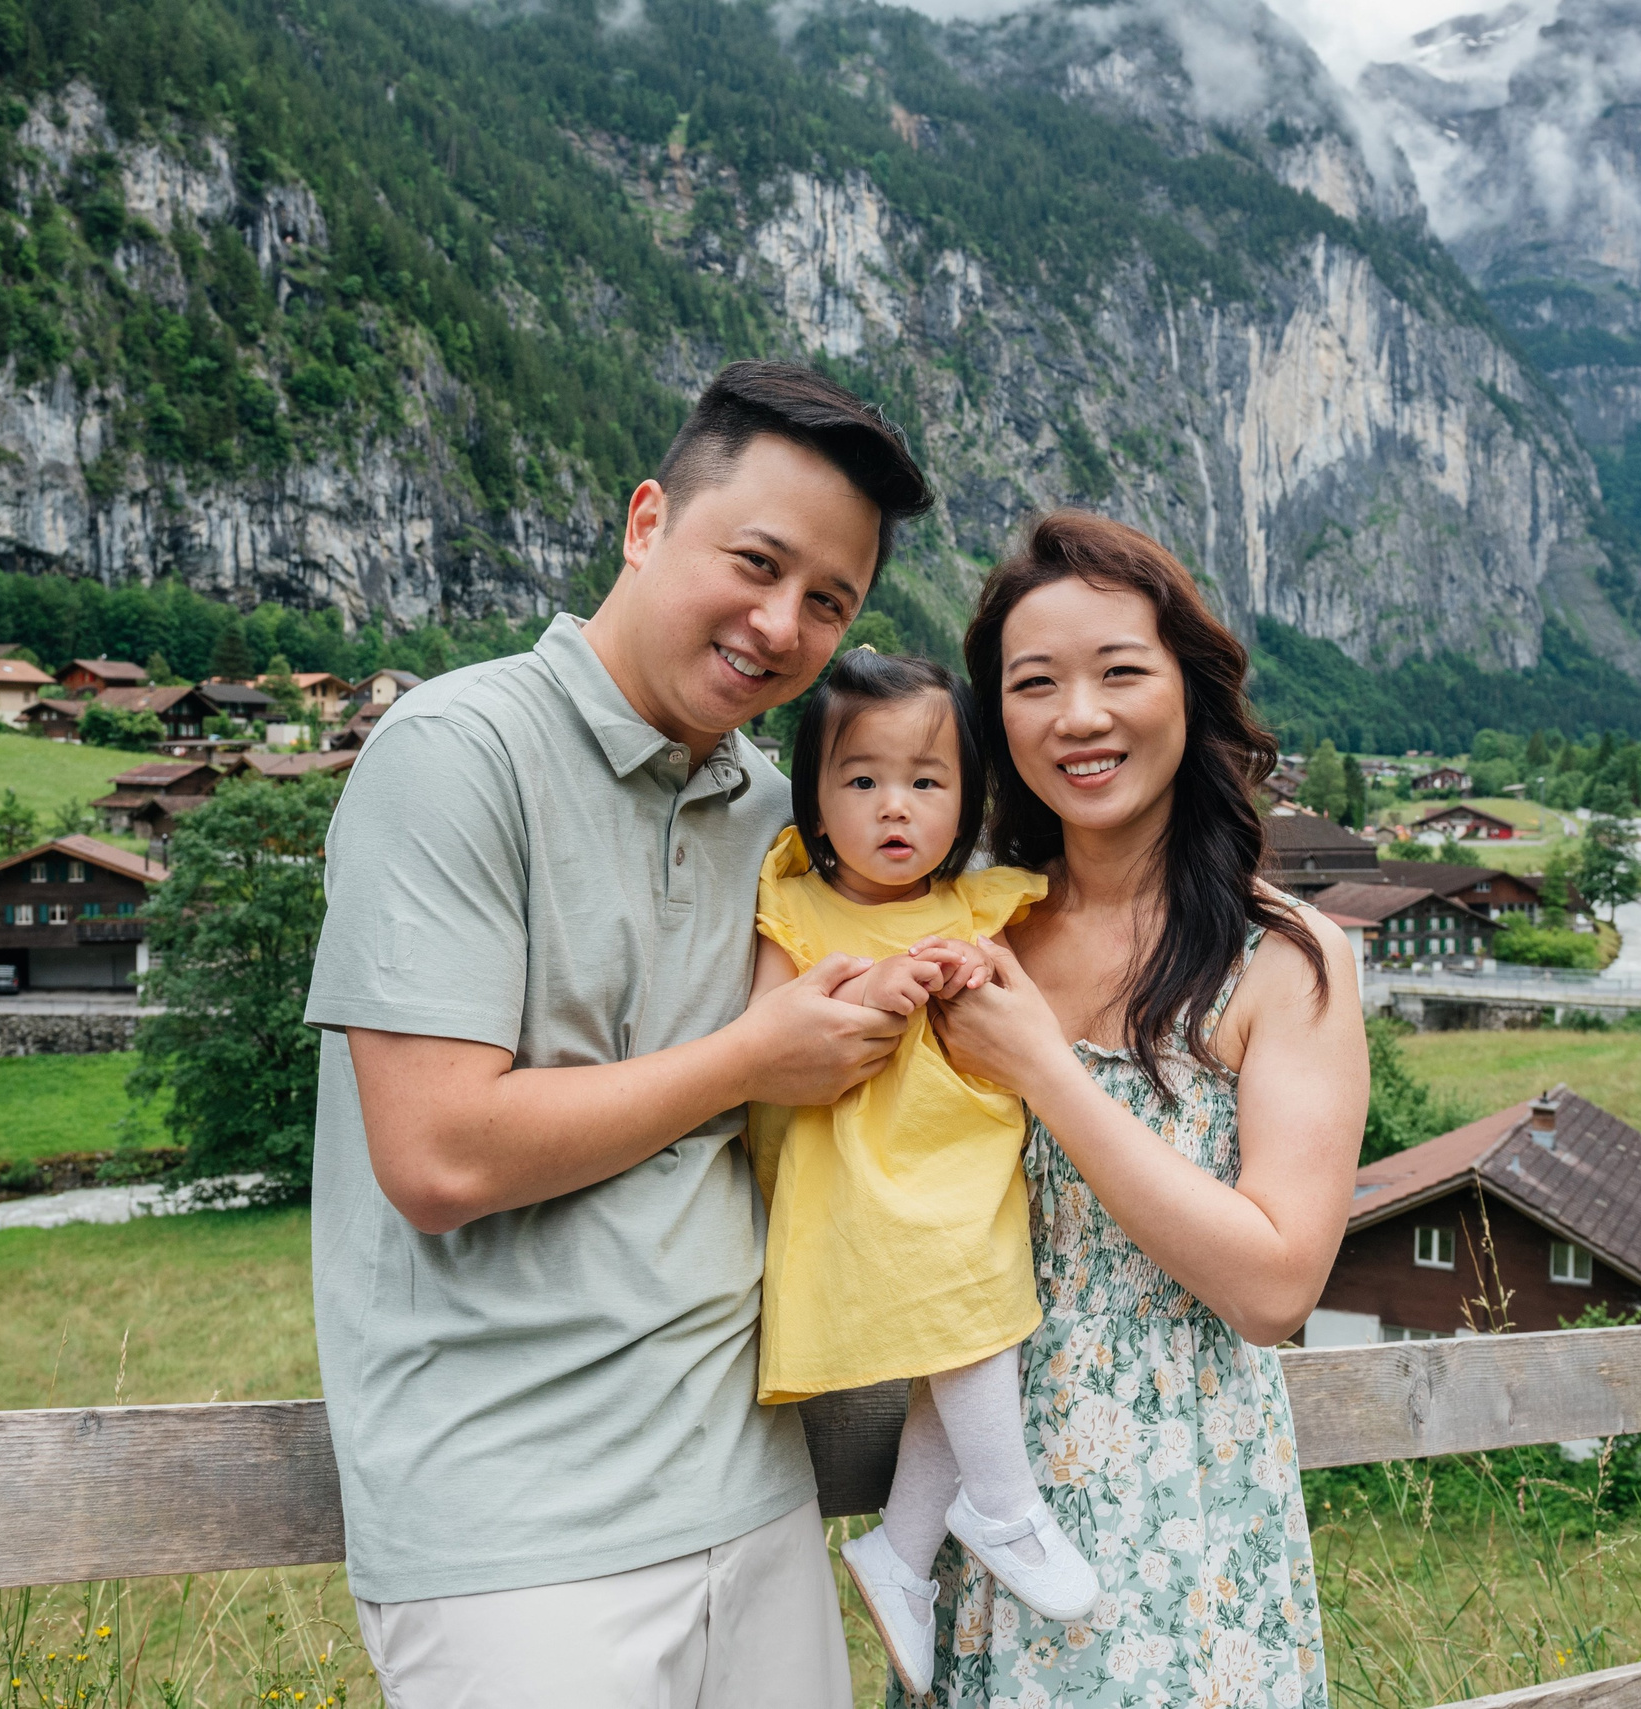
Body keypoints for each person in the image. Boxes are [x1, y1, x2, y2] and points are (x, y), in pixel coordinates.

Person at [302, 361, 930, 1707]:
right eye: (755, 563)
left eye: (830, 600)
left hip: (754, 1493)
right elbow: (436, 1154)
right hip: (510, 1533)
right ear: (647, 522)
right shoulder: (455, 751)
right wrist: (751, 1060)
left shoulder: (781, 815)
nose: (780, 625)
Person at [915, 510, 1369, 1707]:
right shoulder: (970, 932)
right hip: (989, 1496)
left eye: (1120, 670)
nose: (1079, 716)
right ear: (993, 718)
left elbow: (1276, 1286)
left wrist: (1048, 1071)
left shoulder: (1287, 960)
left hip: (1188, 1520)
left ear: (1190, 689)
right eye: (1035, 683)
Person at [743, 649, 1099, 1696]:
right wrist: (881, 983)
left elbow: (1030, 1020)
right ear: (812, 795)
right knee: (966, 1319)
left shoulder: (980, 905)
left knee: (966, 1338)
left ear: (966, 797)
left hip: (967, 1169)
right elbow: (761, 1040)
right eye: (861, 781)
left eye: (926, 782)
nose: (894, 807)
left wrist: (977, 967)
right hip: (864, 1177)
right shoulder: (799, 904)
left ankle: (899, 1556)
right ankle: (1001, 1502)